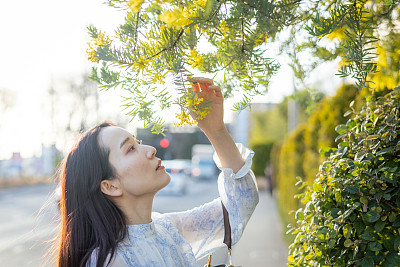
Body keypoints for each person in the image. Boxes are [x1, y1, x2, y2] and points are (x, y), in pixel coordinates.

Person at [56, 77, 259, 267]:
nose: (150, 150)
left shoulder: (166, 228)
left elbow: (240, 203)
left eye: (139, 142)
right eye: (130, 149)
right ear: (110, 186)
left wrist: (215, 130)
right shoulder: (109, 261)